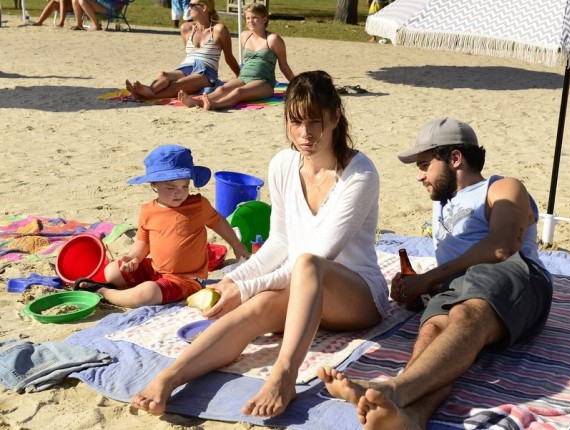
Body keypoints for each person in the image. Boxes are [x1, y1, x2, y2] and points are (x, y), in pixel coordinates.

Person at [130, 70, 389, 418]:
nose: (305, 133)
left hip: (357, 297)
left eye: (315, 121)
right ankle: (169, 378)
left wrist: (247, 287)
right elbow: (279, 241)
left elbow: (316, 257)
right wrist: (234, 280)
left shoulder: (360, 174)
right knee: (257, 306)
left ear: (335, 117)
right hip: (302, 290)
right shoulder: (283, 164)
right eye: (295, 122)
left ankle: (284, 375)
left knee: (303, 266)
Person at [318, 118, 554, 429]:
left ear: (455, 158)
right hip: (458, 286)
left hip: (515, 275)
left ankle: (394, 389)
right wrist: (420, 288)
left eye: (425, 165)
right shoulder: (441, 201)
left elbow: (503, 245)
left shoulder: (502, 187)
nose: (420, 176)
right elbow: (456, 267)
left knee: (466, 313)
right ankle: (412, 416)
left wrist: (429, 278)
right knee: (432, 334)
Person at [75, 144, 248, 308]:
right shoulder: (148, 211)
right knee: (113, 271)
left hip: (187, 279)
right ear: (153, 184)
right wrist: (134, 257)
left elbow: (218, 222)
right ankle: (120, 290)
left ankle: (104, 292)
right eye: (171, 188)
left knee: (148, 293)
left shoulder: (198, 205)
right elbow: (143, 241)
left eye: (185, 186)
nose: (179, 192)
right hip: (156, 269)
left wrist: (236, 244)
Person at [178, 3, 294, 110]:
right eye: (248, 18)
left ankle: (214, 105)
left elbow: (284, 66)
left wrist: (296, 85)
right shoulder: (244, 36)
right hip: (244, 77)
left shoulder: (273, 39)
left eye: (254, 17)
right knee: (222, 89)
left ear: (264, 19)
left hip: (263, 82)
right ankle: (197, 102)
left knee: (239, 92)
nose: (250, 21)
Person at [125, 0, 239, 101]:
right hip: (186, 66)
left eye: (192, 5)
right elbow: (189, 55)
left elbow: (229, 57)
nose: (189, 8)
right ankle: (149, 91)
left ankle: (147, 95)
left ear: (204, 7)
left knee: (178, 85)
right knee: (163, 75)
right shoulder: (186, 28)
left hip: (206, 72)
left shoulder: (218, 30)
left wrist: (241, 78)